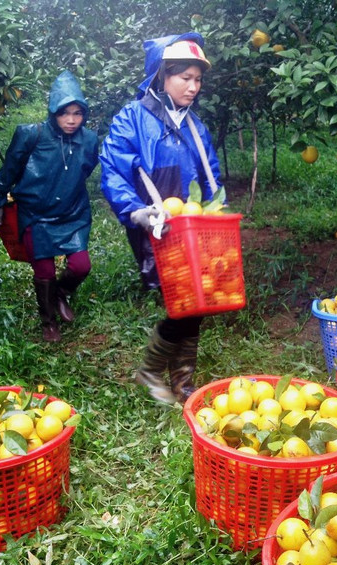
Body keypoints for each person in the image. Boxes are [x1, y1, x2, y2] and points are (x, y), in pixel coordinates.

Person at [100, 32, 223, 404]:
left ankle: (180, 381)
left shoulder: (195, 126)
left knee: (195, 300)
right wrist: (134, 210)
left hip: (194, 227)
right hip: (156, 225)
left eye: (197, 79)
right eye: (185, 78)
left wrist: (218, 212)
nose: (193, 87)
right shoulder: (133, 119)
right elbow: (114, 169)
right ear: (162, 75)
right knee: (184, 301)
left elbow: (211, 179)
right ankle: (154, 371)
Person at [0, 71, 99, 343]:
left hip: (73, 213)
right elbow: (10, 170)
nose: (71, 120)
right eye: (64, 113)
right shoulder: (30, 135)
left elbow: (86, 168)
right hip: (36, 214)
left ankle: (60, 293)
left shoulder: (89, 140)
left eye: (77, 113)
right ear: (53, 112)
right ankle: (48, 321)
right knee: (44, 271)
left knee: (81, 266)